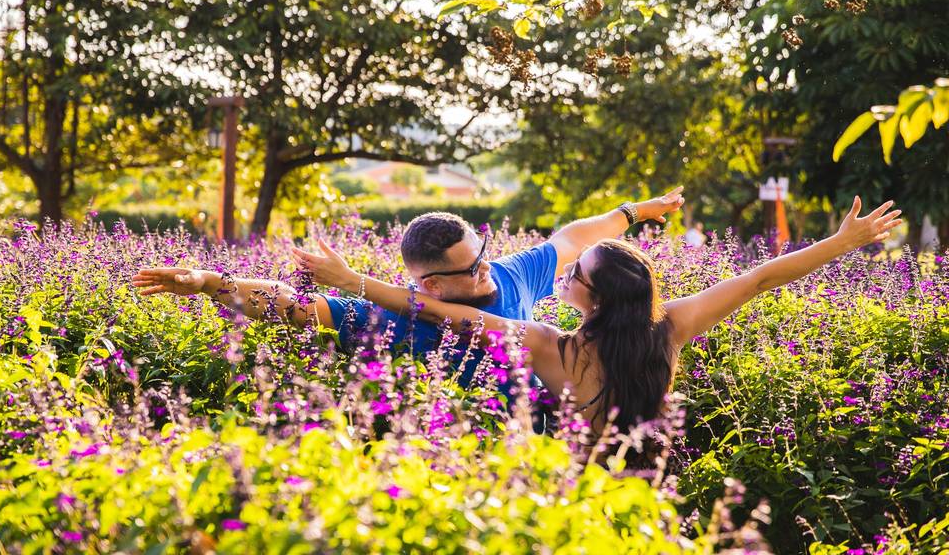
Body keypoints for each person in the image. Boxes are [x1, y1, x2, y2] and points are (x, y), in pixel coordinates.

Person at [293, 196, 902, 437]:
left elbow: (440, 313)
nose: (564, 273)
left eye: (576, 272)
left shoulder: (546, 344)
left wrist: (354, 283)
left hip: (573, 493)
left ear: (596, 297)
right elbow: (763, 275)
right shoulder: (672, 327)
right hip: (647, 484)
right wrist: (846, 242)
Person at [133, 188, 686, 401]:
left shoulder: (512, 275)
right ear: (432, 287)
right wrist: (210, 282)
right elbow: (289, 304)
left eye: (484, 245)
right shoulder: (393, 315)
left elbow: (574, 237)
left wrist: (637, 212)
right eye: (473, 265)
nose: (488, 264)